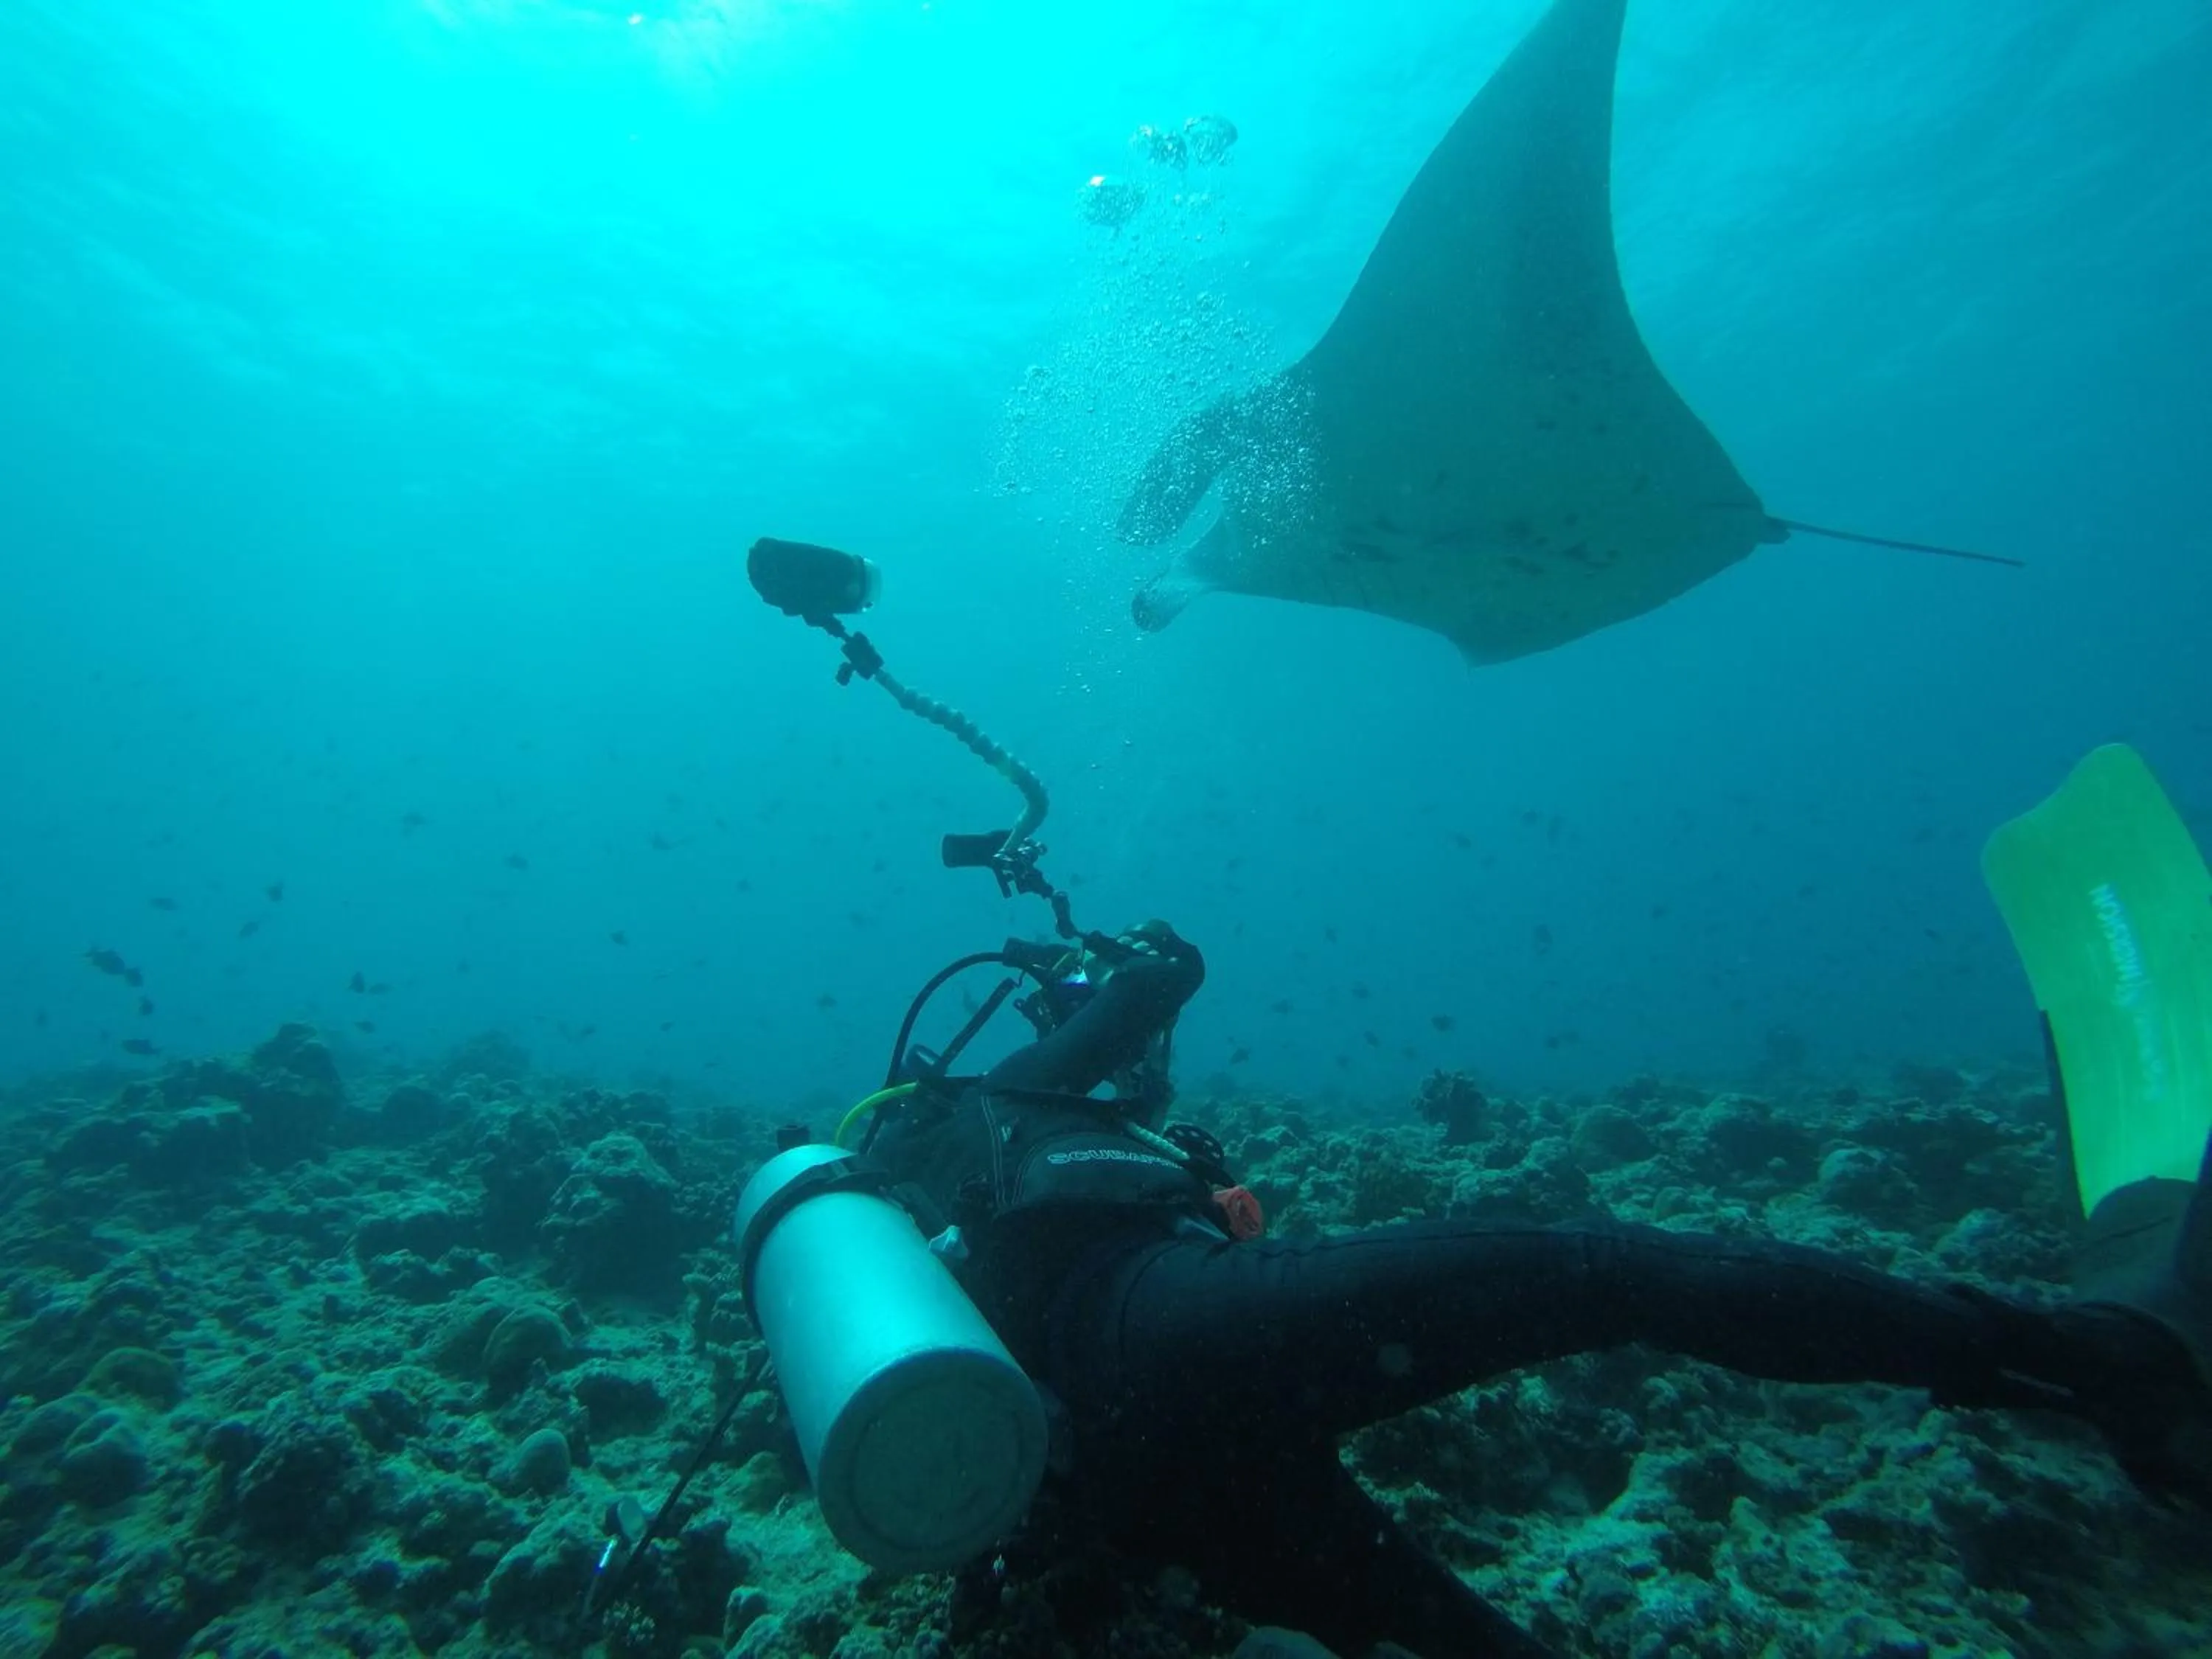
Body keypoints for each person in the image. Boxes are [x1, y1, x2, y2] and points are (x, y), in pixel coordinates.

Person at [861, 920, 2212, 1659]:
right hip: (1166, 1336)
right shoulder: (1003, 1096)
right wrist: (1115, 961)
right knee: (1598, 1269)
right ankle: (2106, 1354)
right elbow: (1164, 975)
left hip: (1118, 1475)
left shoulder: (933, 1218)